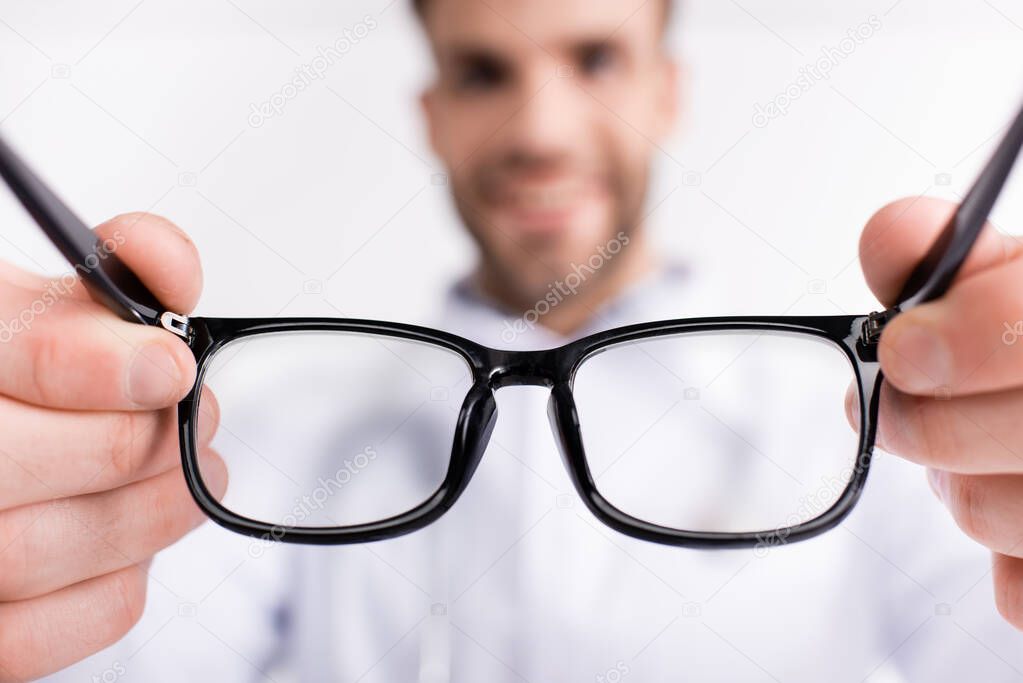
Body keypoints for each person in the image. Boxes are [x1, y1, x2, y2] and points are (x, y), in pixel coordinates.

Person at [3, 0, 1023, 680]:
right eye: (485, 72)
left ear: (665, 92)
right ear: (435, 115)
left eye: (593, 58)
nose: (539, 128)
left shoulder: (881, 435)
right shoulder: (252, 445)